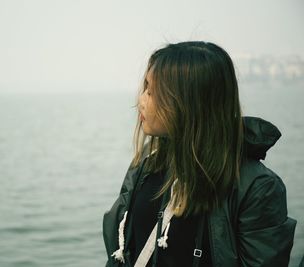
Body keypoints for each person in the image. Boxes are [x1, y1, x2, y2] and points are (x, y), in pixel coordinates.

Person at [102, 41, 297, 267]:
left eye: (152, 92)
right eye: (145, 88)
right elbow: (120, 249)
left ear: (187, 103)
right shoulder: (147, 162)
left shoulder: (256, 188)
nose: (141, 101)